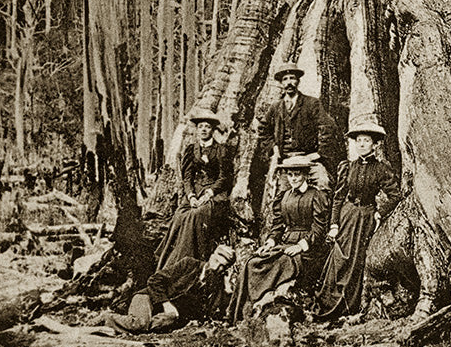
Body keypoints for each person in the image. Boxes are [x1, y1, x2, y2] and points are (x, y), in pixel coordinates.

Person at [315, 117, 402, 322]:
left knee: (355, 261)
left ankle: (347, 307)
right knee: (338, 259)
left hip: (365, 219)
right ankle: (327, 304)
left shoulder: (381, 168)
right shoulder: (348, 167)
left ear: (374, 144)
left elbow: (395, 195)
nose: (362, 144)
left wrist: (380, 212)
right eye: (359, 141)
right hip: (347, 215)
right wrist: (334, 225)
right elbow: (338, 198)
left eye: (366, 141)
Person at [229, 155, 331, 321]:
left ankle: (262, 303)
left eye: (297, 174)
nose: (293, 179)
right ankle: (240, 312)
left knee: (282, 261)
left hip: (308, 249)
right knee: (253, 261)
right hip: (285, 243)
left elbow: (319, 228)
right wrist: (270, 243)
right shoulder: (284, 196)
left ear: (305, 175)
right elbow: (277, 227)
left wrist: (301, 245)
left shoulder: (316, 196)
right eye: (290, 175)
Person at [155, 109, 235, 269]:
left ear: (213, 130)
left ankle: (189, 260)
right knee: (180, 215)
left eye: (207, 126)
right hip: (195, 191)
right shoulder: (192, 149)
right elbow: (187, 177)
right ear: (197, 130)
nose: (204, 129)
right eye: (201, 127)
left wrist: (209, 194)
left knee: (196, 216)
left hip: (215, 194)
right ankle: (167, 263)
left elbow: (224, 178)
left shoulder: (221, 150)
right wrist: (191, 196)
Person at [98, 244, 234, 334]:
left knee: (161, 323)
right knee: (140, 324)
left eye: (222, 267)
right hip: (147, 298)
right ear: (211, 257)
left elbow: (214, 311)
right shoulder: (189, 264)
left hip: (168, 316)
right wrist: (166, 303)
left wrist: (227, 289)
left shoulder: (216, 284)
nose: (217, 268)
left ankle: (129, 325)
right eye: (216, 262)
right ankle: (108, 318)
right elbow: (154, 280)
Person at [252, 62, 345, 195]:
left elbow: (328, 127)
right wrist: (274, 149)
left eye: (292, 78)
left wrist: (318, 153)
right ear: (281, 84)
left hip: (308, 160)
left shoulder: (311, 103)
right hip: (285, 162)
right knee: (279, 195)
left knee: (323, 183)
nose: (289, 82)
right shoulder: (276, 107)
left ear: (298, 81)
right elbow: (263, 129)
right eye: (285, 79)